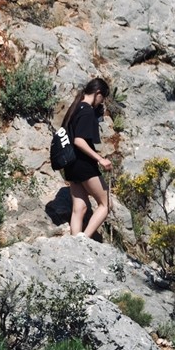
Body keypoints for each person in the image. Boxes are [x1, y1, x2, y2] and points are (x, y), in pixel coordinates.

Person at [59, 78, 113, 239]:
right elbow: (79, 140)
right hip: (83, 164)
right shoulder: (87, 110)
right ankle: (85, 240)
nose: (101, 102)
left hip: (70, 164)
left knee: (79, 208)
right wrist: (100, 159)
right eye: (103, 98)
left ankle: (75, 242)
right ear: (98, 93)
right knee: (106, 203)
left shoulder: (75, 108)